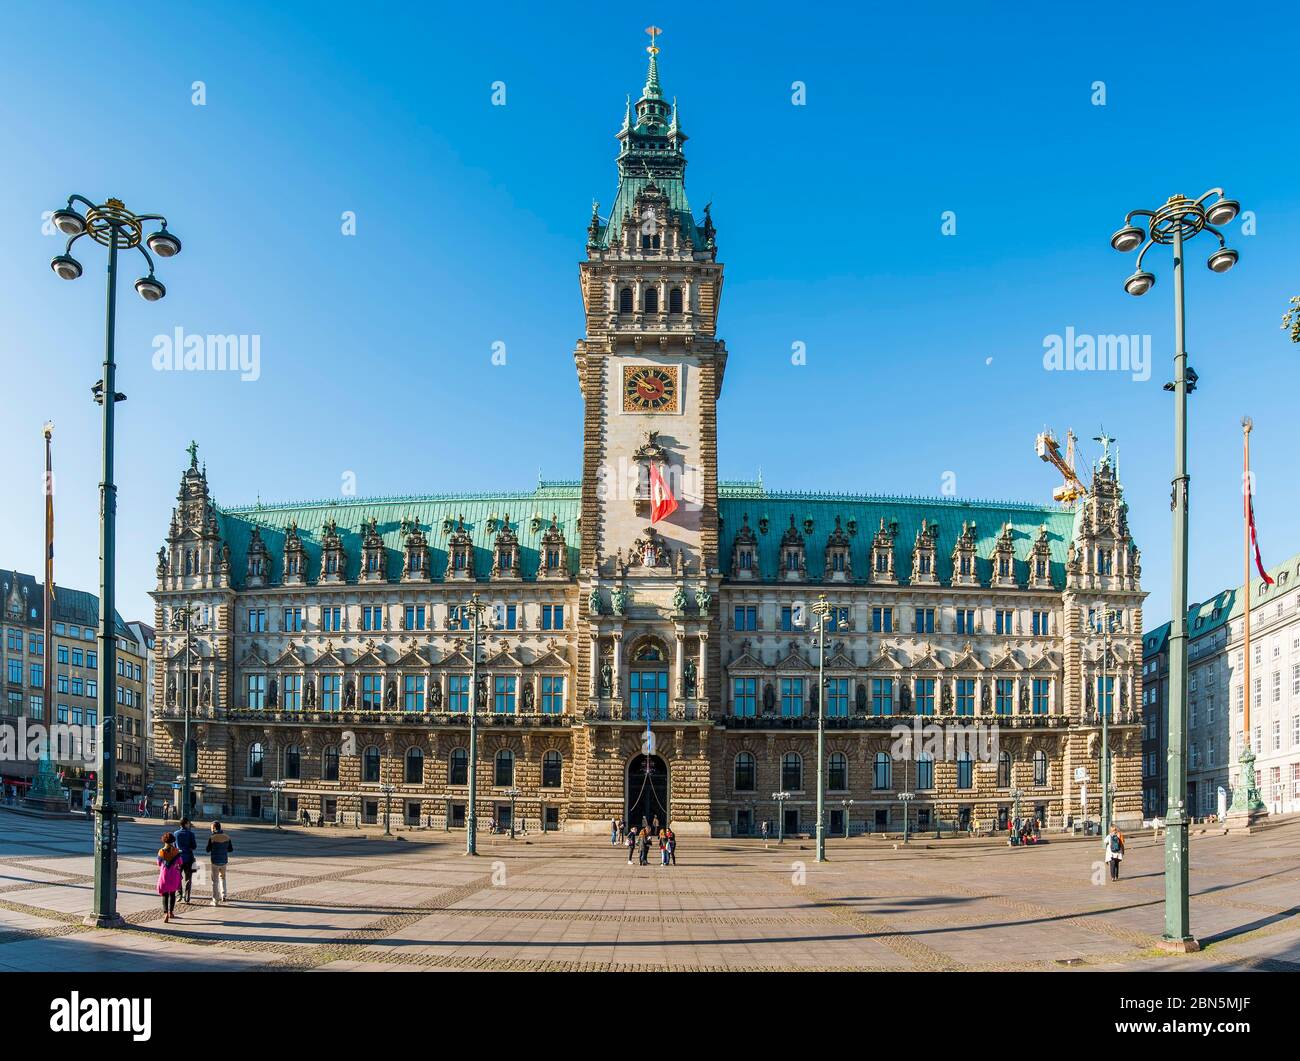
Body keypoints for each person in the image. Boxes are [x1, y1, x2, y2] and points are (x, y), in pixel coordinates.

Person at [157, 832, 184, 923]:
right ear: (173, 841)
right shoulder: (176, 851)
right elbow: (180, 862)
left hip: (164, 874)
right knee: (172, 894)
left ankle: (165, 913)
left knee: (165, 894)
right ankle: (171, 913)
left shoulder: (161, 851)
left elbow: (159, 863)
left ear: (164, 841)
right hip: (174, 874)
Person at [206, 821, 234, 905]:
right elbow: (230, 849)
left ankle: (215, 900)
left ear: (214, 828)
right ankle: (224, 895)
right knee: (223, 877)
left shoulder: (212, 837)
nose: (211, 829)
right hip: (224, 861)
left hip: (215, 861)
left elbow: (207, 849)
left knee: (215, 881)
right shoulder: (227, 837)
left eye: (211, 828)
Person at [175, 817, 198, 903]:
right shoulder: (191, 834)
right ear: (185, 824)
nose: (189, 825)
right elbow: (194, 846)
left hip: (179, 859)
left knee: (177, 877)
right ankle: (187, 896)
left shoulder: (176, 833)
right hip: (188, 858)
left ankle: (179, 894)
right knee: (188, 878)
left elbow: (174, 846)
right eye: (188, 823)